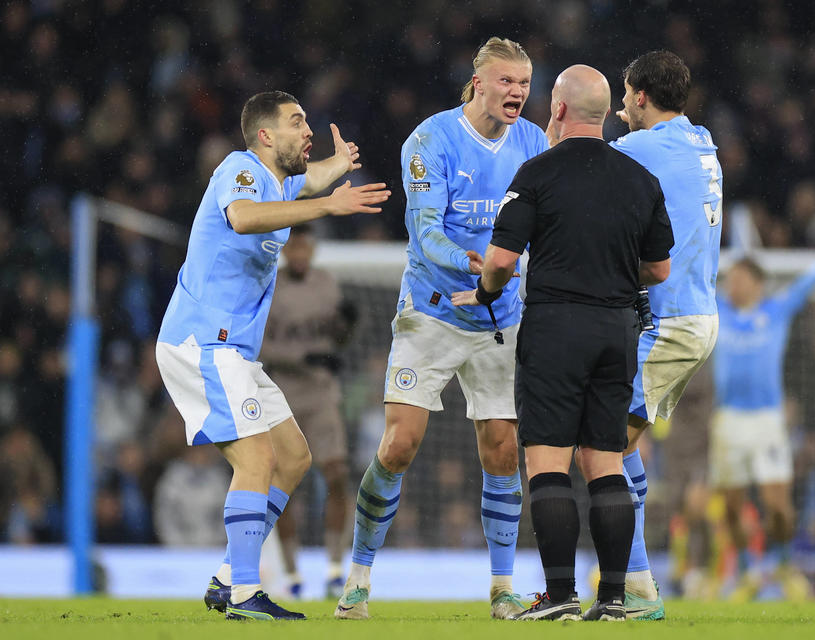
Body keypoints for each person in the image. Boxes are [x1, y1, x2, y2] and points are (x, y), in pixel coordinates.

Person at [335, 37, 549, 621]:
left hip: (500, 316)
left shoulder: (534, 142)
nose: (517, 93)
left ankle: (503, 588)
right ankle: (357, 577)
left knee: (503, 450)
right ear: (477, 83)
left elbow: (551, 225)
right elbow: (426, 233)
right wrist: (479, 266)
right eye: (506, 82)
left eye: (525, 84)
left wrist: (508, 276)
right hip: (433, 310)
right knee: (399, 445)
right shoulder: (430, 141)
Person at [155, 90, 389, 621]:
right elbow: (241, 217)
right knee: (257, 459)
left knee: (295, 458)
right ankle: (243, 592)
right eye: (296, 122)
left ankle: (225, 577)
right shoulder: (239, 170)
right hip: (202, 342)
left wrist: (339, 165)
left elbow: (306, 180)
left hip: (234, 350)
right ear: (265, 135)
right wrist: (328, 203)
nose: (307, 130)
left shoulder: (279, 181)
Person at [454, 64, 675, 621]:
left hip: (555, 328)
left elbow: (502, 260)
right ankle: (616, 598)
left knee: (548, 463)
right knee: (606, 461)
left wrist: (484, 291)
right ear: (604, 114)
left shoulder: (537, 173)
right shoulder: (640, 180)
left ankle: (559, 596)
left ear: (557, 110)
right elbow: (660, 268)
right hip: (616, 331)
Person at [610, 49, 723, 620]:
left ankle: (636, 588)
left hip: (672, 319)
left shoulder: (640, 147)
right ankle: (635, 582)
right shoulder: (700, 139)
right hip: (697, 315)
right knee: (619, 442)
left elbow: (580, 177)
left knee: (603, 445)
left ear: (640, 96)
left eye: (626, 95)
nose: (621, 107)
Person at [712, 205, 815, 600]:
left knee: (777, 505)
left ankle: (784, 565)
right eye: (729, 278)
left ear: (755, 283)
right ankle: (749, 573)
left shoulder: (777, 310)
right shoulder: (718, 310)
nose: (730, 284)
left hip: (767, 420)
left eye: (737, 278)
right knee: (733, 508)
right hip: (728, 421)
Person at [259, 225, 356, 598]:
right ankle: (292, 572)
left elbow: (338, 338)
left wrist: (346, 328)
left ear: (312, 250)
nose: (299, 254)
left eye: (305, 248)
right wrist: (300, 357)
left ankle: (334, 568)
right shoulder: (270, 284)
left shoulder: (327, 284)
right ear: (285, 250)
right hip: (282, 391)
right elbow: (261, 343)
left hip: (320, 391)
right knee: (286, 482)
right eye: (293, 248)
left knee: (336, 473)